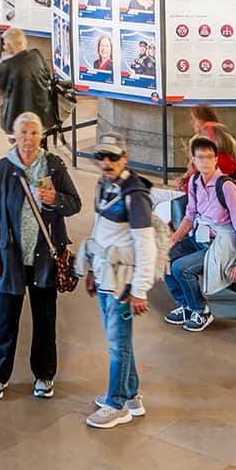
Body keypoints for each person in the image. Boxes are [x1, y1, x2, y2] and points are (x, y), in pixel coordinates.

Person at [0, 111, 81, 400]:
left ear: (41, 135)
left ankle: (45, 376)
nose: (28, 138)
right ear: (14, 136)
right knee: (5, 321)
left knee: (45, 321)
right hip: (10, 259)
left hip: (44, 259)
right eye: (23, 132)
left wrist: (56, 199)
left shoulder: (53, 166)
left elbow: (74, 204)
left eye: (34, 132)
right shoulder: (2, 170)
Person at [77, 142, 156, 429]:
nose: (107, 162)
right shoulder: (104, 185)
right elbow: (99, 229)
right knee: (119, 340)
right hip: (104, 274)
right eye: (101, 156)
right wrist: (91, 269)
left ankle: (117, 404)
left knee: (117, 344)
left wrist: (139, 290)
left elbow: (146, 246)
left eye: (113, 156)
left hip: (122, 283)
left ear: (125, 157)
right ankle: (131, 396)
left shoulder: (135, 195)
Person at [161, 137, 236, 333]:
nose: (205, 162)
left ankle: (200, 310)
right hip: (200, 237)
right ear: (194, 160)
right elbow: (190, 215)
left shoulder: (226, 187)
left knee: (181, 268)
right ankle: (186, 306)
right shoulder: (195, 182)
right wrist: (173, 240)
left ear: (216, 159)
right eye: (200, 157)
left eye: (209, 157)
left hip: (221, 243)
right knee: (165, 259)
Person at [0, 29, 54, 134]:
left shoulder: (8, 65)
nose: (4, 47)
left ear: (10, 45)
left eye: (5, 44)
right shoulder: (36, 55)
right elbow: (48, 75)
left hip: (16, 115)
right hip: (43, 113)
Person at [185, 107, 236, 178]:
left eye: (194, 119)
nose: (192, 122)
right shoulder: (231, 140)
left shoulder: (196, 141)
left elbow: (194, 170)